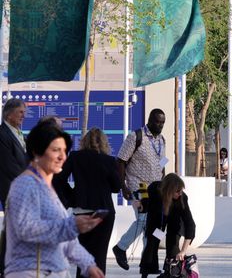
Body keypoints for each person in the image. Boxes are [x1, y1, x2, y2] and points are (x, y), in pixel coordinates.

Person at [4, 122, 104, 278]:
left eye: (64, 150)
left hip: (52, 271)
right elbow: (25, 228)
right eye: (56, 150)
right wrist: (71, 224)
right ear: (37, 152)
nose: (62, 156)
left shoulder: (45, 187)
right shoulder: (25, 185)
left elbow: (65, 240)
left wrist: (88, 264)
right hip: (32, 272)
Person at [54, 127, 122, 276]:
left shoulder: (75, 157)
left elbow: (58, 179)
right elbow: (117, 187)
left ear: (84, 141)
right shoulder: (109, 160)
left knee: (83, 256)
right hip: (104, 212)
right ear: (104, 143)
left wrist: (72, 196)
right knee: (100, 256)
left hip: (82, 211)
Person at [112, 109, 168, 271]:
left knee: (151, 226)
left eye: (163, 122)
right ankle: (121, 248)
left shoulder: (162, 140)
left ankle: (148, 263)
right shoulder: (135, 137)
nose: (160, 125)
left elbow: (163, 162)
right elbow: (121, 161)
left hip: (157, 188)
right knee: (143, 221)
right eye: (157, 121)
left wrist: (164, 183)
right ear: (149, 120)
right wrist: (123, 186)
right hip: (140, 186)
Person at [138, 173, 195, 277]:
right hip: (158, 221)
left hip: (175, 221)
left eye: (181, 190)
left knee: (173, 244)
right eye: (177, 191)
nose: (180, 193)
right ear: (168, 190)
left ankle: (171, 272)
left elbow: (190, 224)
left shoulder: (182, 199)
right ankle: (146, 271)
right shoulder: (155, 189)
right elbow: (146, 203)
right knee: (152, 243)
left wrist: (183, 251)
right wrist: (142, 205)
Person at [0, 98, 28, 207]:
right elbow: (9, 165)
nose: (23, 116)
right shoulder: (2, 134)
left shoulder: (18, 133)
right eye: (20, 112)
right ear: (9, 114)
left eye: (24, 112)